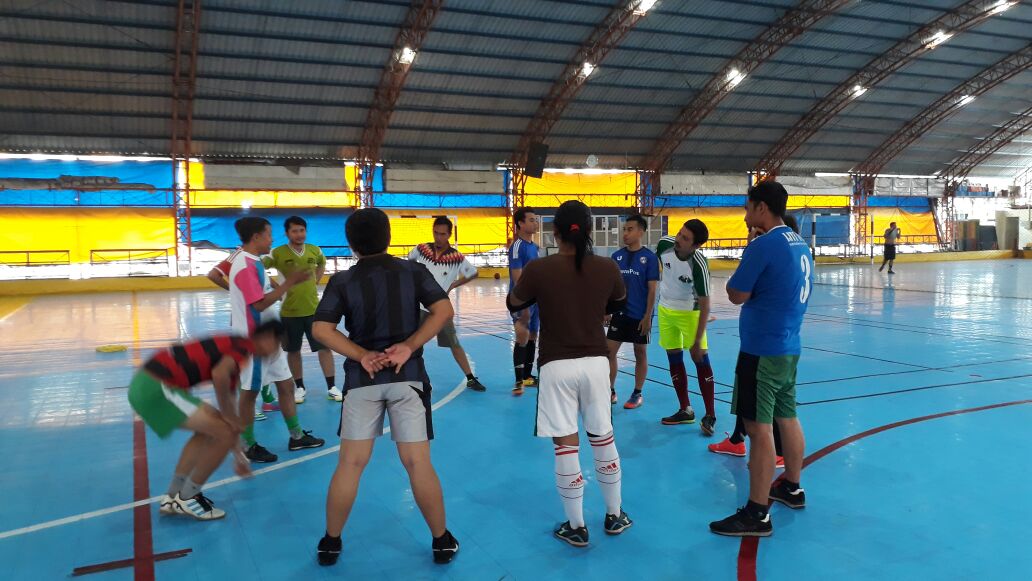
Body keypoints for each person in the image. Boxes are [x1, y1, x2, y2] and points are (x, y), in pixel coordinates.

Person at [312, 208, 460, 567]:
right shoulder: (413, 271)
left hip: (362, 381)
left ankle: (330, 543)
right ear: (389, 237)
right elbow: (443, 311)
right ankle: (441, 541)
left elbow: (321, 329)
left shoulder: (342, 281)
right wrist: (408, 346)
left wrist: (362, 355)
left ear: (351, 244)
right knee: (417, 462)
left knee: (350, 463)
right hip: (408, 378)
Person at [508, 200, 632, 548]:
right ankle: (614, 515)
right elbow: (618, 303)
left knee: (566, 446)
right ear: (590, 231)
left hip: (556, 365)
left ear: (555, 232)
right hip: (596, 364)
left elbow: (514, 302)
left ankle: (576, 526)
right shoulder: (606, 267)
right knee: (603, 438)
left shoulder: (540, 268)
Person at [710, 180, 812, 538]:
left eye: (747, 208)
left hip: (761, 350)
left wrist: (750, 249)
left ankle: (757, 512)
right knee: (787, 416)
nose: (745, 215)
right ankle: (792, 487)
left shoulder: (764, 244)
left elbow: (736, 293)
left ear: (761, 208)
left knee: (758, 428)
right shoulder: (799, 243)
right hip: (789, 346)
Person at [128, 321, 284, 520]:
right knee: (224, 431)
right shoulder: (242, 347)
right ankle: (188, 497)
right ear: (267, 337)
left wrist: (239, 455)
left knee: (212, 429)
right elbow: (219, 375)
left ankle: (173, 496)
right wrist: (229, 421)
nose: (277, 350)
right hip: (156, 387)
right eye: (277, 344)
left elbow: (230, 406)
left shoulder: (236, 349)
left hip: (146, 386)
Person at [229, 217, 325, 463]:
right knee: (250, 393)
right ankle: (247, 444)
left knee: (286, 385)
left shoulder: (253, 262)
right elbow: (259, 304)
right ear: (256, 237)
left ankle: (296, 436)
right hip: (254, 343)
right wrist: (288, 284)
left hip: (269, 341)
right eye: (269, 235)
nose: (272, 239)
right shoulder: (245, 265)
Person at [708, 214, 800, 467]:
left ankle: (773, 457)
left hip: (765, 346)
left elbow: (737, 292)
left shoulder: (770, 255)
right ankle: (738, 438)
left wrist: (752, 249)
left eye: (759, 232)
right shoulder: (795, 256)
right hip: (778, 342)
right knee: (754, 400)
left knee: (768, 413)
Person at [263, 216, 340, 403]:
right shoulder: (277, 253)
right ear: (287, 233)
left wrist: (317, 279)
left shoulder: (315, 250)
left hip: (314, 310)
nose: (299, 234)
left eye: (302, 230)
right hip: (289, 312)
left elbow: (322, 262)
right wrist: (275, 286)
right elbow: (258, 267)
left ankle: (331, 386)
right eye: (295, 231)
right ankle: (300, 387)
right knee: (293, 351)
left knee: (324, 348)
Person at [407, 216, 487, 392]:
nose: (438, 237)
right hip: (418, 307)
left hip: (441, 309)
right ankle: (411, 378)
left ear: (449, 234)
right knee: (413, 343)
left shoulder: (456, 257)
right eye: (436, 233)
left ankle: (470, 378)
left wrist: (453, 284)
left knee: (454, 343)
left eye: (442, 234)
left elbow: (473, 273)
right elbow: (408, 263)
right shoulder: (421, 249)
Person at [655, 219, 717, 436]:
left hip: (690, 313)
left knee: (700, 359)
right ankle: (685, 410)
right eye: (680, 233)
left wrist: (697, 340)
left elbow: (706, 304)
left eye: (685, 238)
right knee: (674, 358)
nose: (679, 240)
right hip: (665, 310)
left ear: (696, 245)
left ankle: (710, 415)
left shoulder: (699, 264)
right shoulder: (664, 245)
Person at [208, 247, 280, 420]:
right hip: (246, 319)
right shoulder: (239, 255)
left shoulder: (255, 257)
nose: (271, 239)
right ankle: (248, 406)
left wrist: (278, 289)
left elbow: (263, 279)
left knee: (264, 357)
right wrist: (234, 290)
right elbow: (213, 274)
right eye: (267, 235)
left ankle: (267, 399)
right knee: (248, 361)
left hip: (262, 318)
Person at [606, 214, 659, 409]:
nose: (625, 233)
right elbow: (611, 287)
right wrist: (607, 310)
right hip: (619, 314)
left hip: (640, 316)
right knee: (609, 352)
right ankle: (610, 390)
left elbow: (652, 290)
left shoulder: (650, 258)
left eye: (630, 229)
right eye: (624, 230)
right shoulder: (616, 257)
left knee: (640, 353)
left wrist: (647, 317)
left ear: (641, 232)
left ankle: (637, 393)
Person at [509, 207, 540, 396]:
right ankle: (518, 381)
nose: (535, 223)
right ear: (520, 223)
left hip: (535, 299)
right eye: (531, 220)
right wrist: (526, 305)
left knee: (533, 336)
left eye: (535, 220)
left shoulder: (534, 247)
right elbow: (518, 279)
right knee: (522, 336)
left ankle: (528, 376)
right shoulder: (517, 246)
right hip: (521, 300)